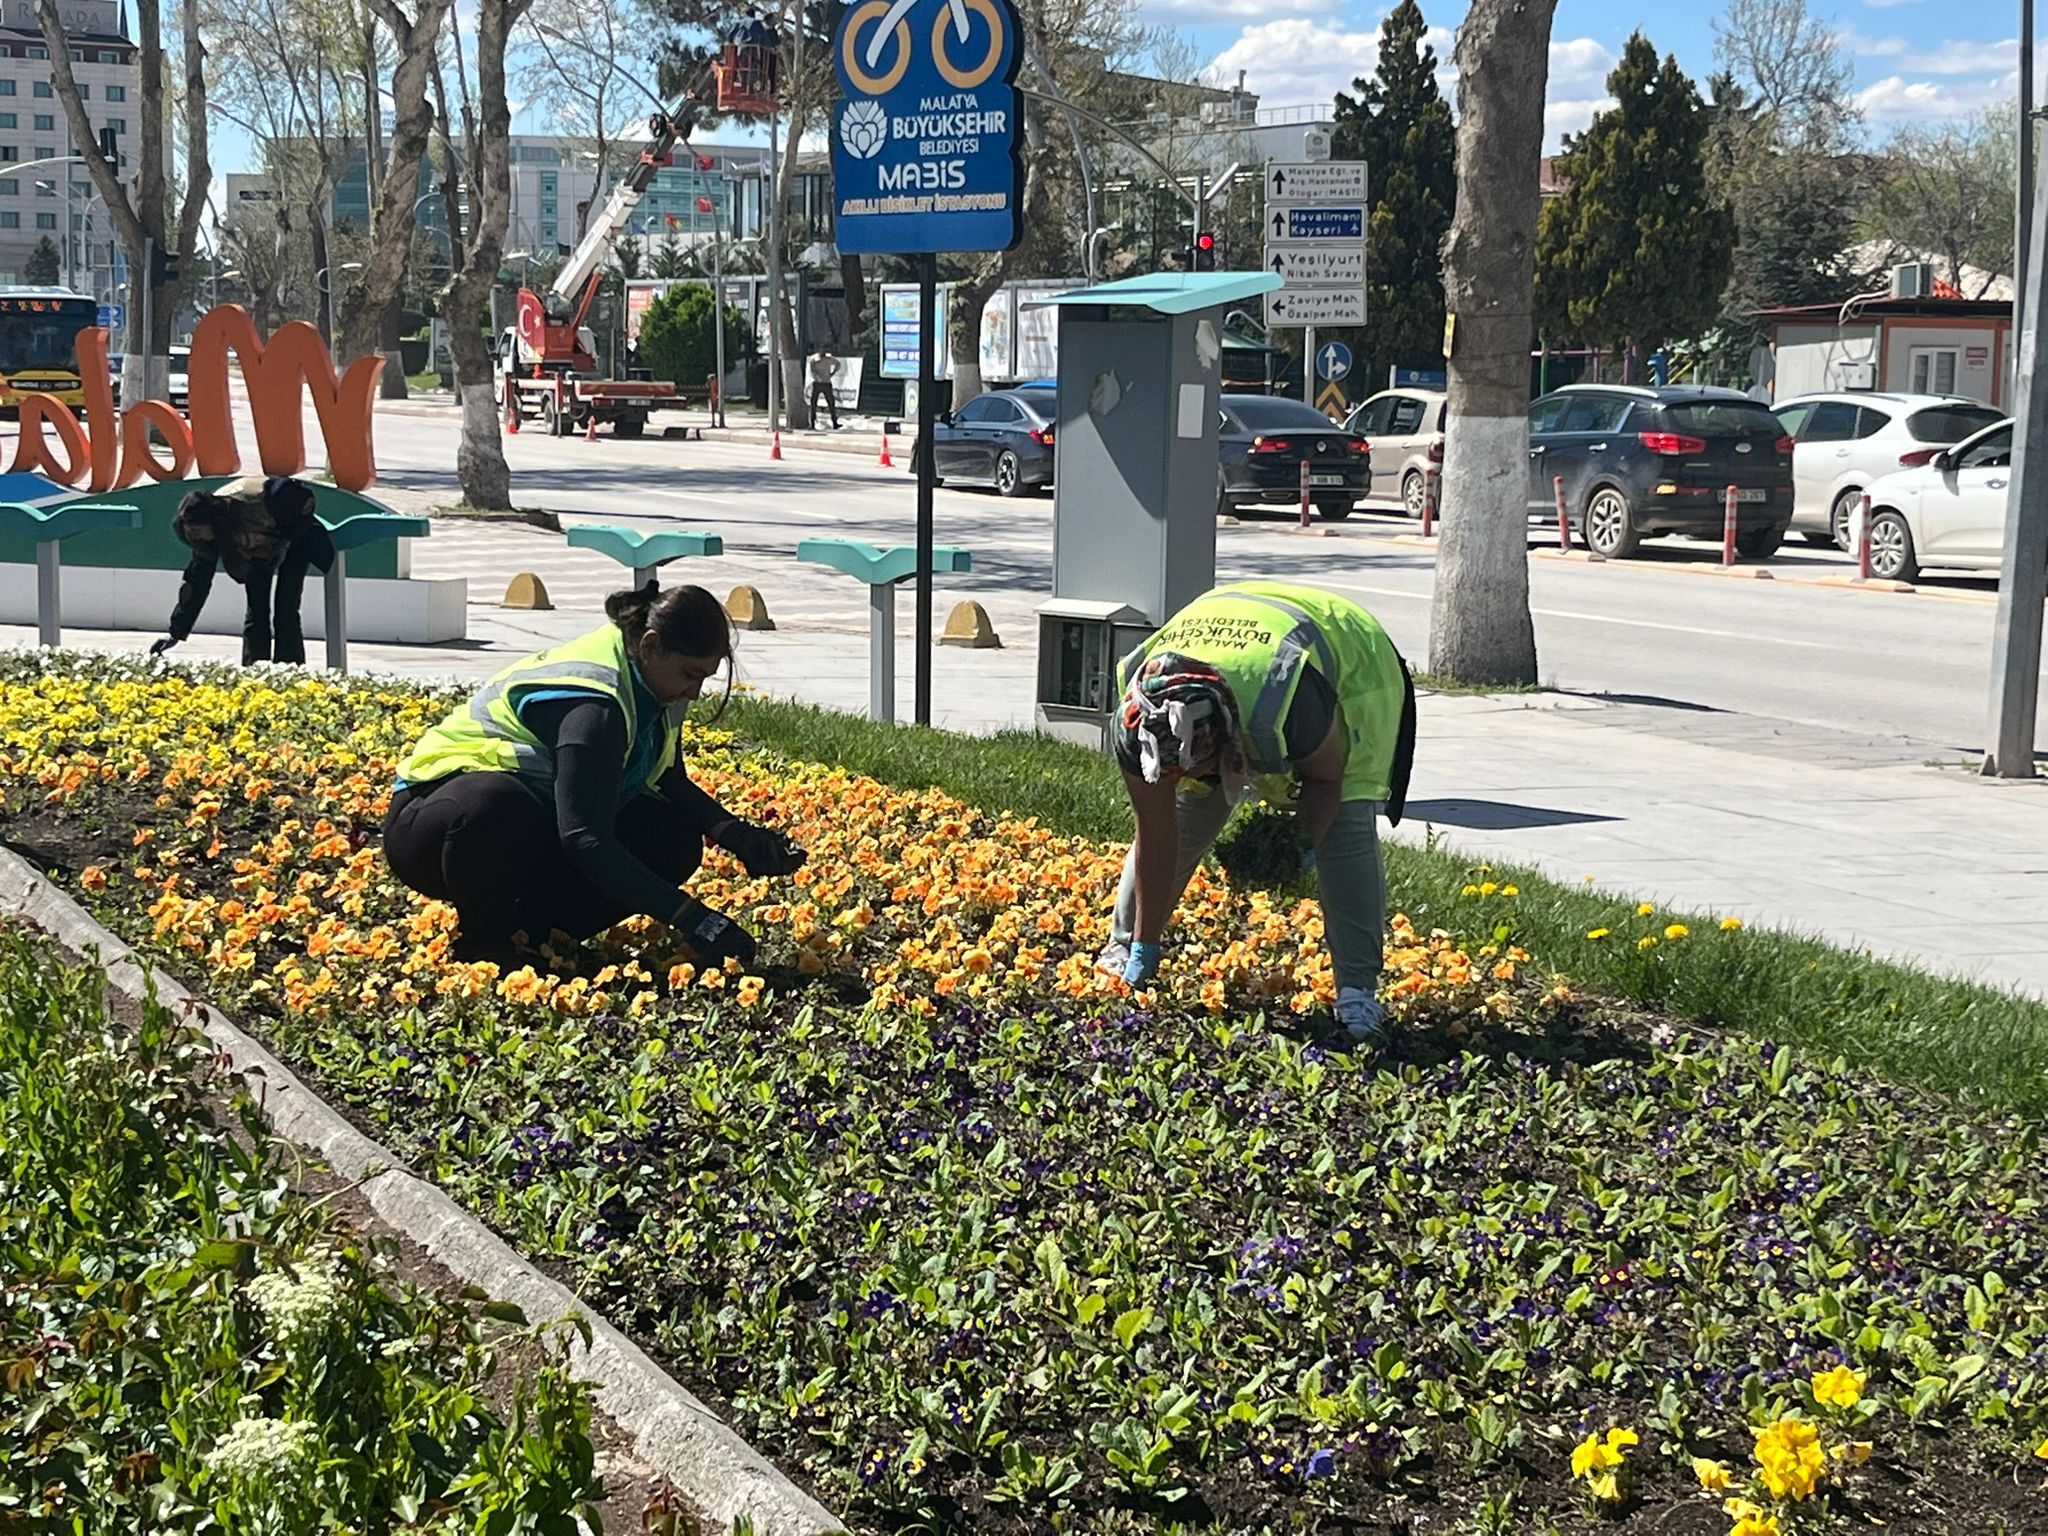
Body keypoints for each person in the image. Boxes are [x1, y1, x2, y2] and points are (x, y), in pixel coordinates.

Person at [382, 583, 806, 967]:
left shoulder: (652, 681)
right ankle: (487, 943)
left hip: (525, 824)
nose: (694, 692)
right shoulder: (594, 707)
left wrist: (740, 836)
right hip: (431, 826)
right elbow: (585, 837)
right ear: (652, 644)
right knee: (497, 807)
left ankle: (538, 937)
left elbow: (669, 781)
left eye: (704, 678)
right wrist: (692, 918)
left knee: (671, 836)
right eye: (690, 675)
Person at [1099, 581, 1415, 1043]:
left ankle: (1357, 996)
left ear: (1227, 739)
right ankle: (1122, 950)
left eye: (1199, 767)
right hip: (1236, 637)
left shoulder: (1287, 701)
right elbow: (1157, 838)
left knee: (1344, 828)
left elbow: (1325, 781)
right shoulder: (1135, 726)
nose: (1185, 778)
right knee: (1190, 813)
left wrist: (1300, 844)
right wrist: (1144, 947)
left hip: (1352, 667)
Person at [149, 475, 333, 666]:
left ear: (212, 522)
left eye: (196, 532)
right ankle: (255, 669)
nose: (197, 539)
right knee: (257, 611)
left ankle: (289, 668)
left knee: (286, 607)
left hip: (293, 535)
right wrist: (175, 633)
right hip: (259, 552)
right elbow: (196, 582)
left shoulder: (251, 502)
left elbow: (303, 501)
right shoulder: (211, 539)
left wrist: (284, 542)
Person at [808, 345, 842, 429]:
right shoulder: (815, 359)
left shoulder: (829, 359)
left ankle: (835, 422)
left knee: (831, 403)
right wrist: (815, 376)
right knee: (813, 403)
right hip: (817, 383)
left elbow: (838, 364)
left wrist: (832, 373)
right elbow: (812, 369)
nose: (823, 352)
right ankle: (812, 423)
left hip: (826, 382)